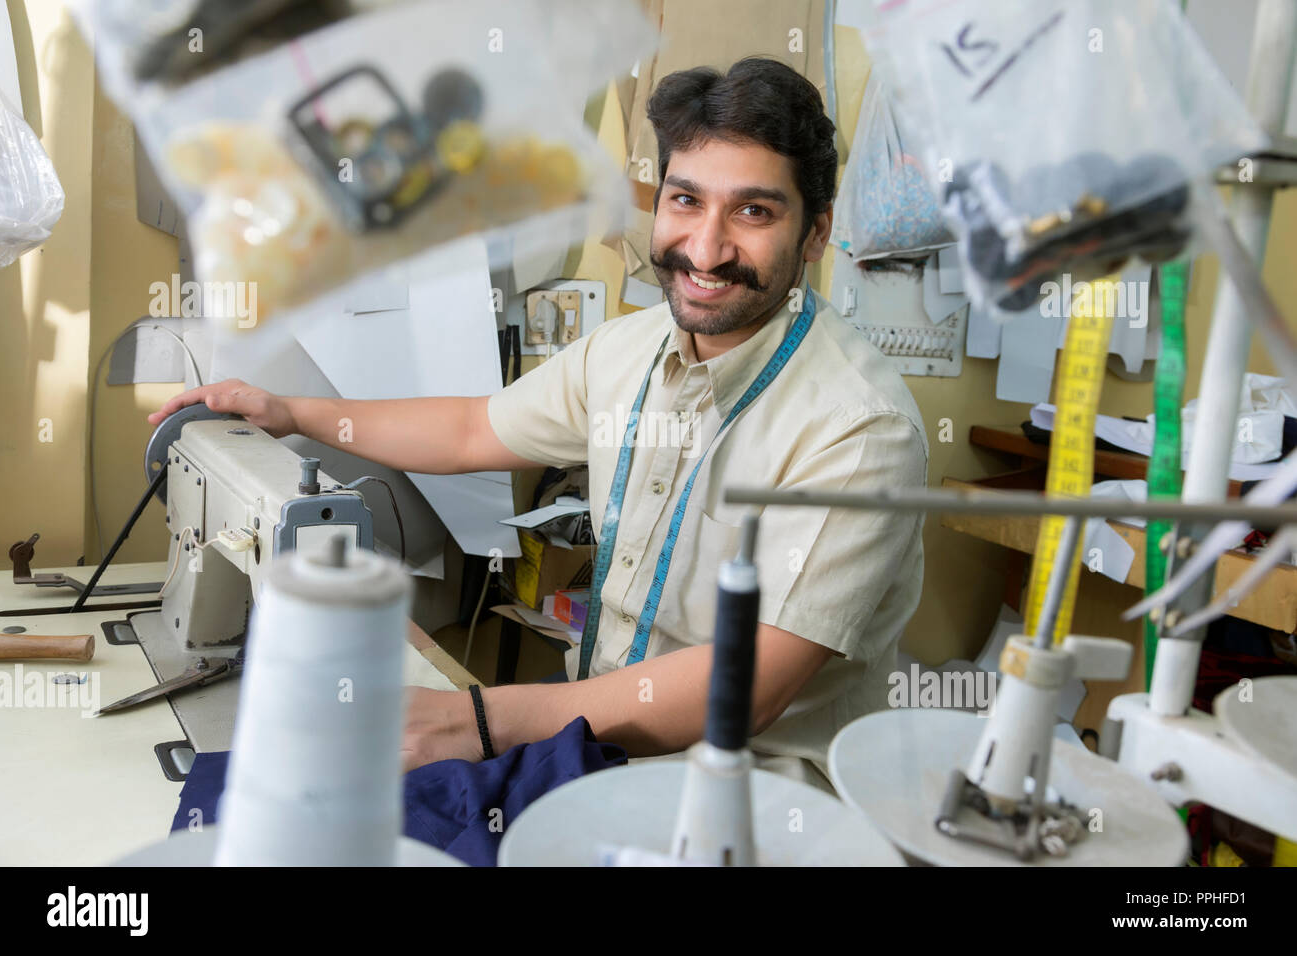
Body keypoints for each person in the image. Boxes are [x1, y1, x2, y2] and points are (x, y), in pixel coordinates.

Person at [149, 57, 928, 790]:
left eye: (753, 211)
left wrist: (475, 721)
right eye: (686, 199)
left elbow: (747, 687)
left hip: (753, 804)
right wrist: (291, 413)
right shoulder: (629, 352)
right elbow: (466, 433)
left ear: (817, 233)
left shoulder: (860, 429)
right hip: (598, 756)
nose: (706, 246)